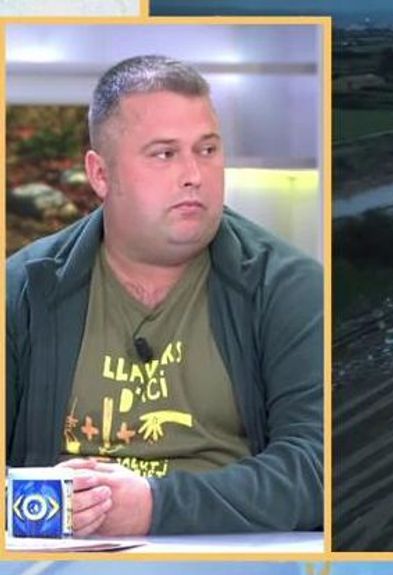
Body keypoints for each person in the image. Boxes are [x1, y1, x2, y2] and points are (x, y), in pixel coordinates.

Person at [6, 55, 323, 536]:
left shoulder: (289, 287)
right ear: (100, 174)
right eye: (164, 154)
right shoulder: (22, 290)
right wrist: (26, 504)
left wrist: (155, 506)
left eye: (208, 149)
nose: (194, 173)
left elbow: (318, 471)